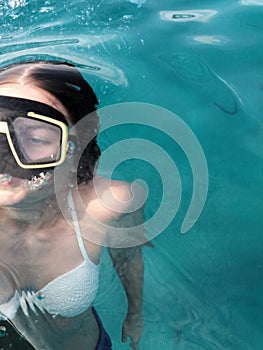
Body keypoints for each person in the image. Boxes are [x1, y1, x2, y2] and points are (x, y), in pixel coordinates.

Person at [0, 60, 146, 350]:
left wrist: (135, 313)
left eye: (36, 137)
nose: (5, 159)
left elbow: (128, 259)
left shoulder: (108, 203)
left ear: (74, 146)